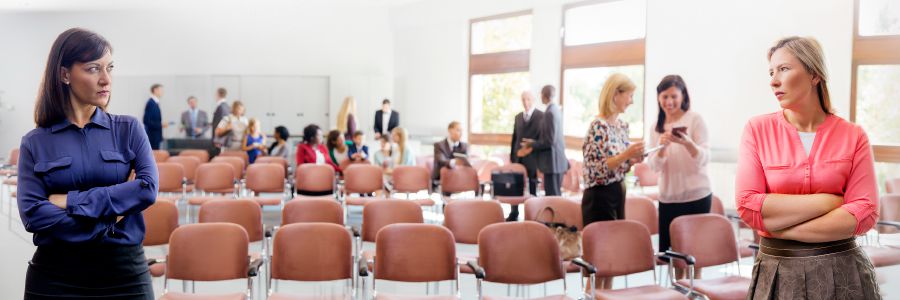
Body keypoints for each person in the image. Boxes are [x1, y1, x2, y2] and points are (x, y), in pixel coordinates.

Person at [18, 28, 157, 299]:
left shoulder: (128, 129)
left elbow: (147, 189)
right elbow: (34, 214)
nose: (106, 79)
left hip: (124, 275)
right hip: (55, 277)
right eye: (94, 69)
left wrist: (69, 201)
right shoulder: (34, 142)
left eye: (110, 68)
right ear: (65, 74)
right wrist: (109, 218)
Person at [737, 36, 880, 299]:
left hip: (844, 272)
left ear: (814, 74)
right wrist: (830, 201)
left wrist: (777, 227)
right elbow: (748, 205)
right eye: (771, 72)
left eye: (783, 69)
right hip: (777, 273)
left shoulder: (853, 135)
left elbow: (865, 212)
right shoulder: (757, 130)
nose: (773, 81)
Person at [581, 73, 643, 289]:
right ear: (616, 94)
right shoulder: (598, 126)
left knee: (612, 260)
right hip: (599, 196)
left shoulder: (622, 126)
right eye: (630, 95)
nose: (632, 101)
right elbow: (595, 169)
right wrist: (626, 155)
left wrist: (632, 159)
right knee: (598, 262)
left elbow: (619, 166)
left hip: (618, 192)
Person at [646, 75, 712, 257]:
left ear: (683, 96)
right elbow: (653, 167)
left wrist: (688, 143)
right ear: (658, 98)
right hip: (669, 198)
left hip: (697, 196)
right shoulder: (656, 128)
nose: (669, 101)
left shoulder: (695, 119)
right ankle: (676, 286)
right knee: (673, 255)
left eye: (674, 96)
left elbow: (705, 158)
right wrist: (662, 148)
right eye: (664, 96)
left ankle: (695, 285)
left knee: (695, 253)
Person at [521, 85, 568, 196]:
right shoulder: (556, 110)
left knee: (552, 199)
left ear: (544, 95)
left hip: (552, 164)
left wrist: (531, 144)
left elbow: (549, 141)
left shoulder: (549, 113)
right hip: (556, 163)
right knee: (555, 197)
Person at [508, 90, 544, 221]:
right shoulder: (518, 117)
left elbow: (542, 139)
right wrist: (513, 156)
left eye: (528, 99)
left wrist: (530, 149)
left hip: (533, 157)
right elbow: (515, 138)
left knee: (533, 184)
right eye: (523, 99)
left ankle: (533, 214)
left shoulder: (541, 116)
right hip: (518, 157)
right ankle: (514, 212)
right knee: (515, 185)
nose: (525, 102)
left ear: (533, 100)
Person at [142, 83, 165, 150]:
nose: (162, 92)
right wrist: (161, 125)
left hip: (156, 136)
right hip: (152, 137)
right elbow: (146, 121)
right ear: (155, 90)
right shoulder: (151, 103)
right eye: (161, 90)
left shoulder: (155, 103)